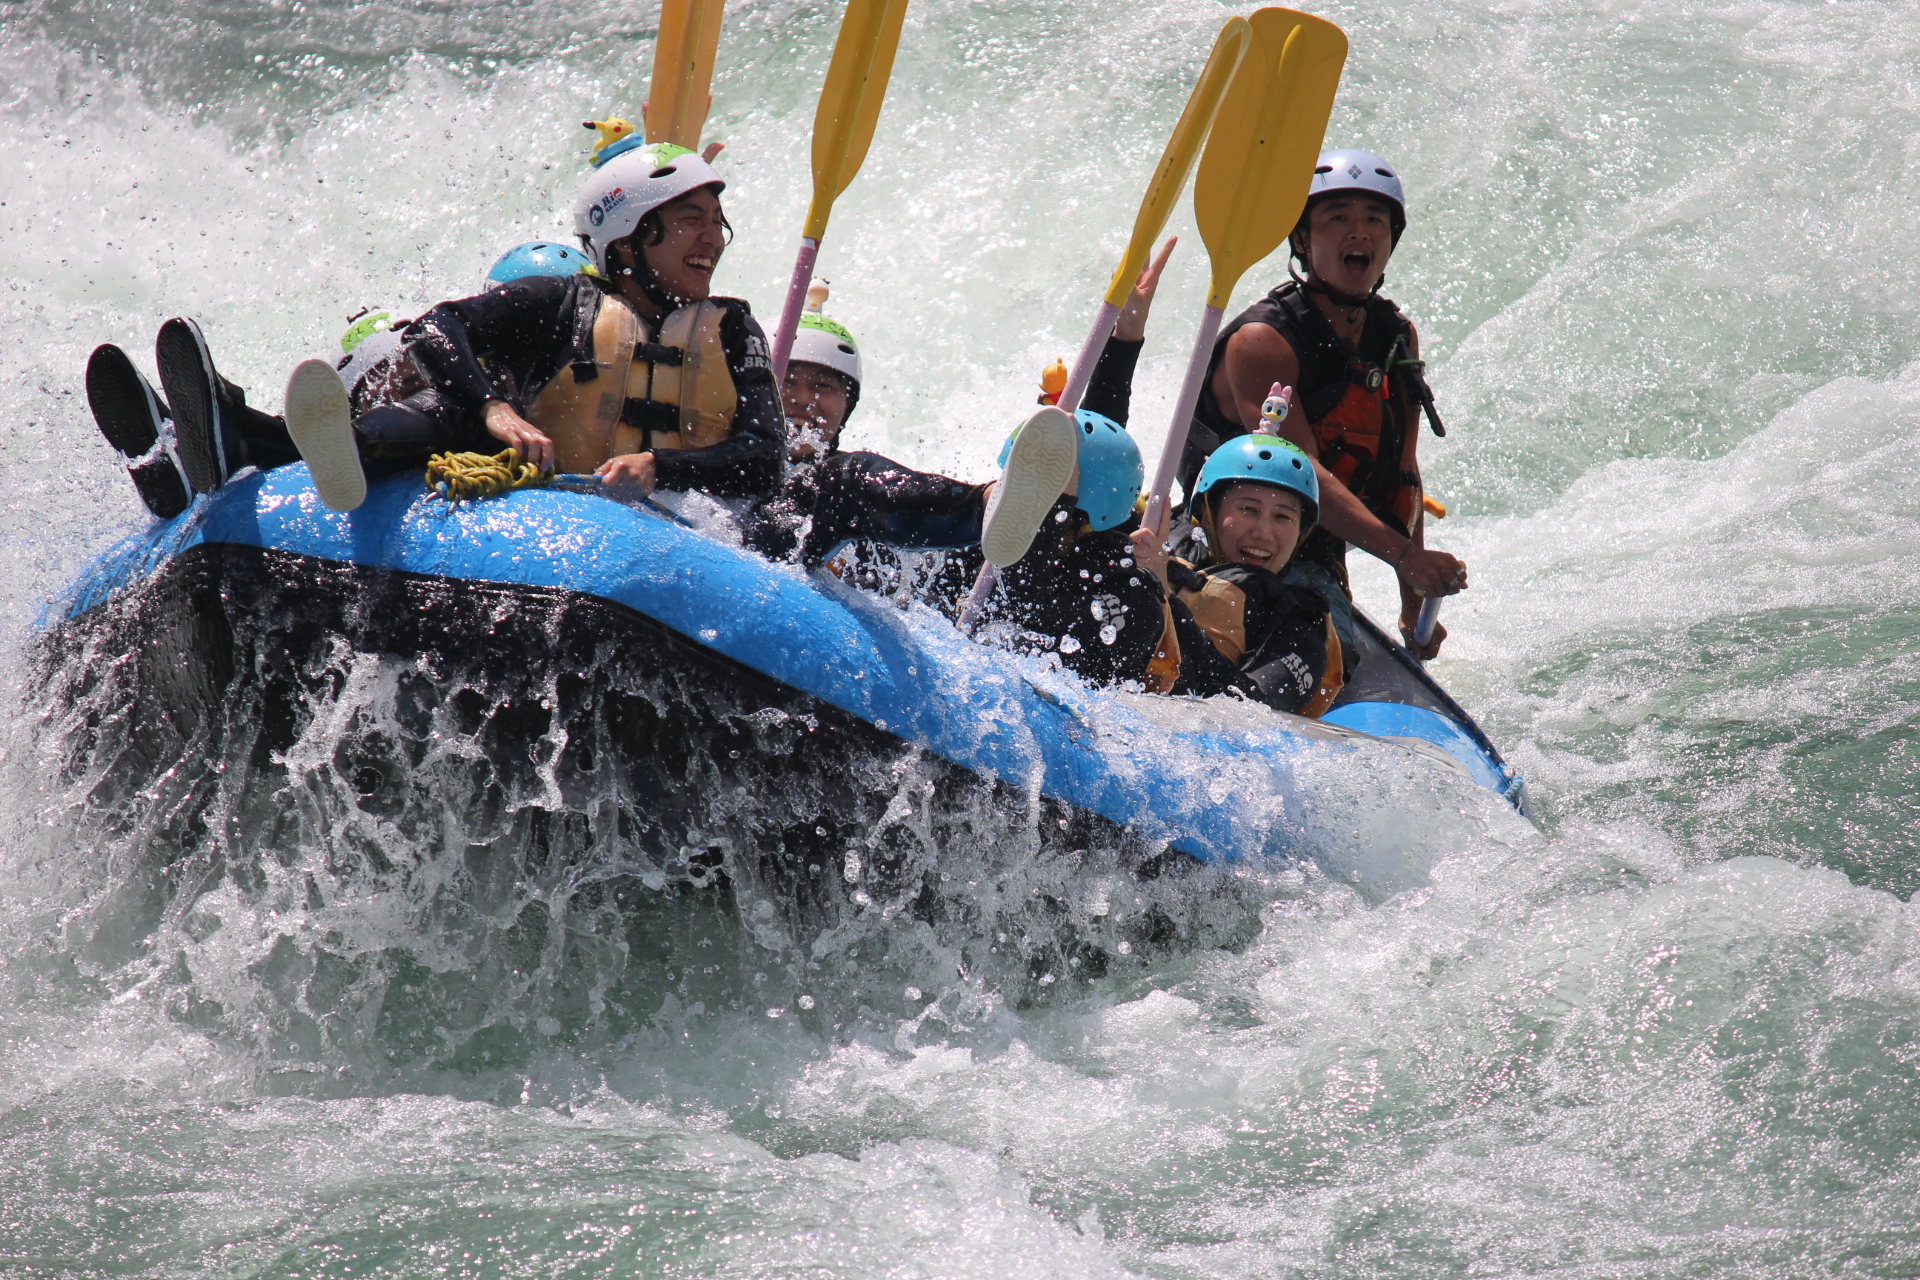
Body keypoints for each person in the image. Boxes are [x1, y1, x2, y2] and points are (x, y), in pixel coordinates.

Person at [1181, 148, 1466, 661]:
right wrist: (1404, 557)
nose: (1359, 232)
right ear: (1302, 240)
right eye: (1338, 218)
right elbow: (1303, 471)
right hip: (1223, 538)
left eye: (1374, 220)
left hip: (1312, 546)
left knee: (1333, 654)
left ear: (1390, 240)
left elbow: (1404, 474)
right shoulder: (1263, 340)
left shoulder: (1396, 336)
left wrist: (1411, 596)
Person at [1131, 430, 1343, 715]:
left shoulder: (1300, 628)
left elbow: (1247, 712)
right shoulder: (1156, 551)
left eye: (1282, 516)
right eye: (1248, 509)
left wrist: (1164, 594)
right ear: (1207, 513)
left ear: (1301, 533)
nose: (1263, 533)